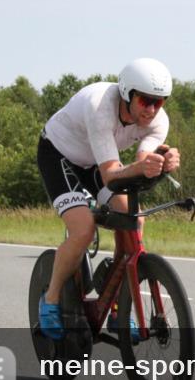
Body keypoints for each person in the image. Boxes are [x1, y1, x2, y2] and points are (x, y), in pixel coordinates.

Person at [35, 58, 180, 340]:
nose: (151, 110)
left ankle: (117, 307)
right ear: (126, 93)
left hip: (96, 163)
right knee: (84, 229)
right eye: (145, 101)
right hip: (59, 155)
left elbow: (140, 164)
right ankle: (50, 299)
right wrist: (141, 167)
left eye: (158, 102)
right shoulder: (100, 105)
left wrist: (160, 163)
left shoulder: (159, 121)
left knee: (134, 223)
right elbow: (112, 174)